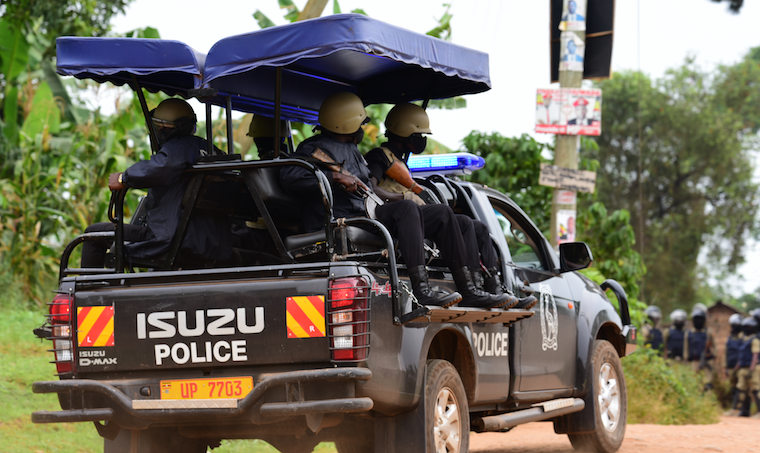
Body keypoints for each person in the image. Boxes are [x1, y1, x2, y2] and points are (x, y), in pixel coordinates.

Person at [279, 92, 513, 309]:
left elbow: (369, 188)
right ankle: (421, 290)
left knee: (445, 215)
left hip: (367, 213)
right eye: (361, 123)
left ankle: (471, 289)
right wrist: (335, 176)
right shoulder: (311, 148)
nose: (363, 127)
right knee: (407, 208)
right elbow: (289, 176)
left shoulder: (351, 148)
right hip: (345, 218)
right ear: (347, 122)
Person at [364, 103, 526, 308]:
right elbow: (371, 190)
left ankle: (485, 288)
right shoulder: (379, 156)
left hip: (412, 216)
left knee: (471, 225)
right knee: (443, 213)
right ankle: (460, 290)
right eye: (419, 134)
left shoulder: (402, 162)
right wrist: (404, 197)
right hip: (394, 215)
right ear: (405, 131)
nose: (422, 139)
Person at [81, 98, 231, 268]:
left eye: (166, 128)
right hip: (211, 242)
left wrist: (124, 178)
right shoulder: (209, 149)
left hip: (172, 238)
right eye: (157, 125)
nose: (160, 131)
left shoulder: (180, 147)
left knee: (93, 235)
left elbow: (162, 167)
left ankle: (88, 290)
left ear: (181, 128)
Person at [684, 306, 715, 390]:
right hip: (693, 362)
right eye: (697, 319)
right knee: (695, 384)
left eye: (700, 319)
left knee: (708, 384)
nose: (698, 321)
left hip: (707, 362)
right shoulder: (688, 333)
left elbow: (714, 347)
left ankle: (708, 401)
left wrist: (710, 356)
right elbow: (686, 349)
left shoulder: (708, 332)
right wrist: (686, 362)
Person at [735, 313, 760, 417]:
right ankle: (740, 411)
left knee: (756, 389)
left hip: (752, 368)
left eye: (749, 327)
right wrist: (738, 366)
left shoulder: (755, 339)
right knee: (741, 389)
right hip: (743, 367)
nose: (747, 329)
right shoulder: (744, 339)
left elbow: (755, 355)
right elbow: (742, 355)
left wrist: (751, 368)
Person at [724, 313, 745, 416]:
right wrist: (725, 367)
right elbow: (726, 353)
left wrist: (740, 363)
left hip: (740, 366)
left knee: (741, 387)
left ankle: (739, 409)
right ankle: (735, 408)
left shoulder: (743, 338)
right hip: (731, 366)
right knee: (733, 388)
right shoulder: (730, 338)